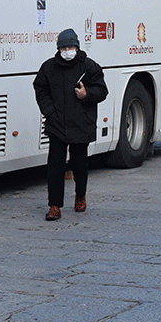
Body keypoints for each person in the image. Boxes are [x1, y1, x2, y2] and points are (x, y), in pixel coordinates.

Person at [33, 28, 108, 221]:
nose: (68, 50)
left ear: (77, 47)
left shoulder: (89, 67)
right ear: (58, 48)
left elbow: (102, 90)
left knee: (79, 164)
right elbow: (40, 89)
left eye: (71, 46)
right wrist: (49, 112)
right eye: (64, 47)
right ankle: (54, 205)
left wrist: (87, 95)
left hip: (81, 123)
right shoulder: (48, 67)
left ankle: (80, 195)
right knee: (55, 165)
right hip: (57, 124)